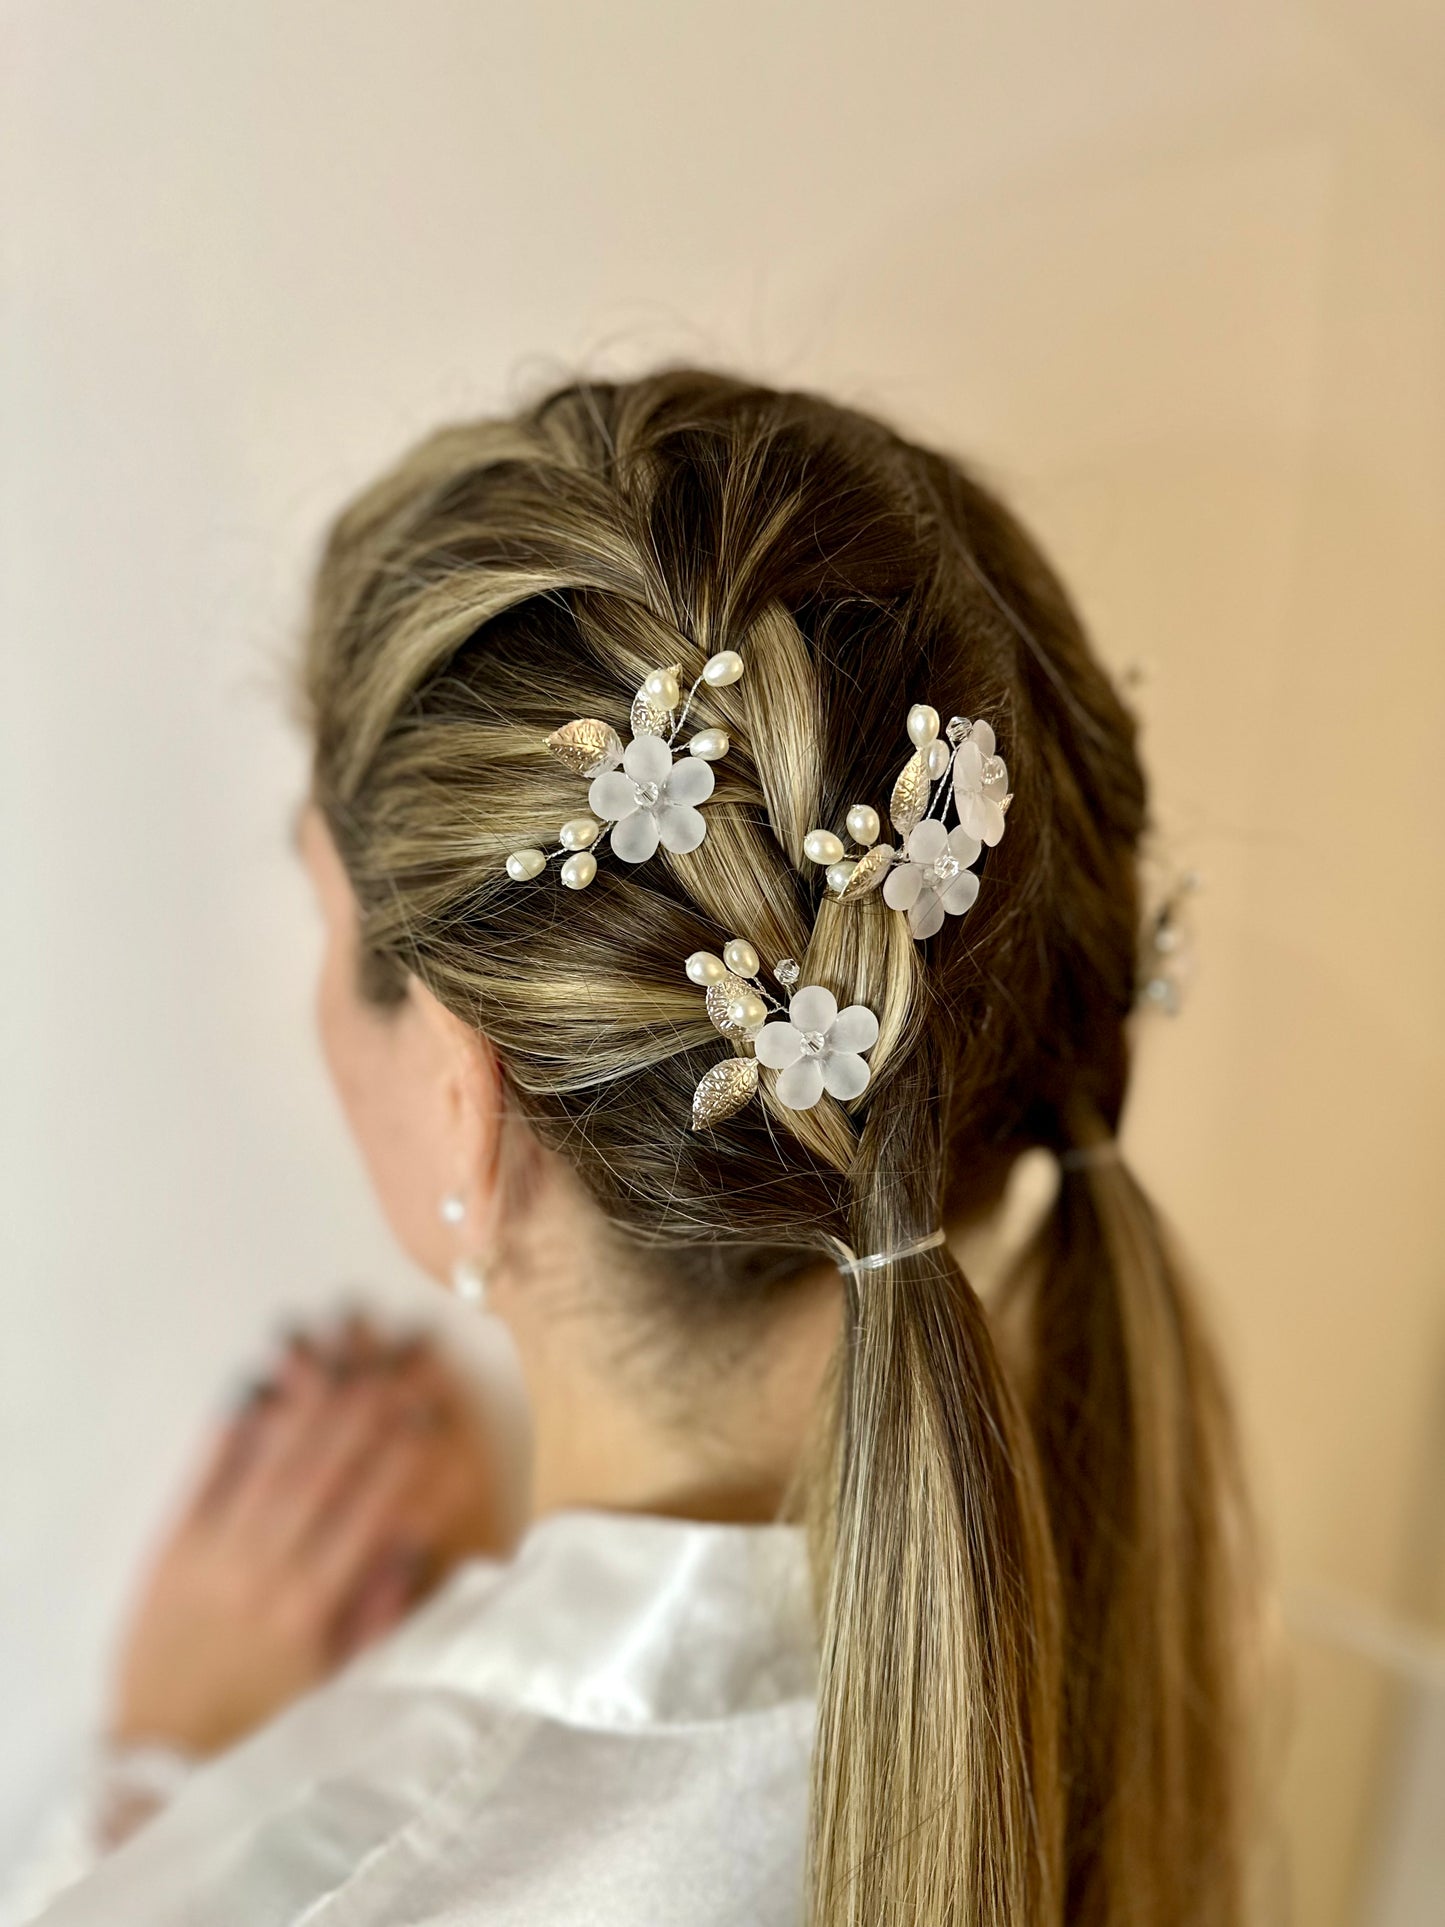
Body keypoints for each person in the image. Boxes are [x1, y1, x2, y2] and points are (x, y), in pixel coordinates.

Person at [10, 368, 1258, 1926]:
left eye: (330, 932)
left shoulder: (315, 1886)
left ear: (466, 1099)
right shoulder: (1121, 1637)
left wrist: (155, 1794)